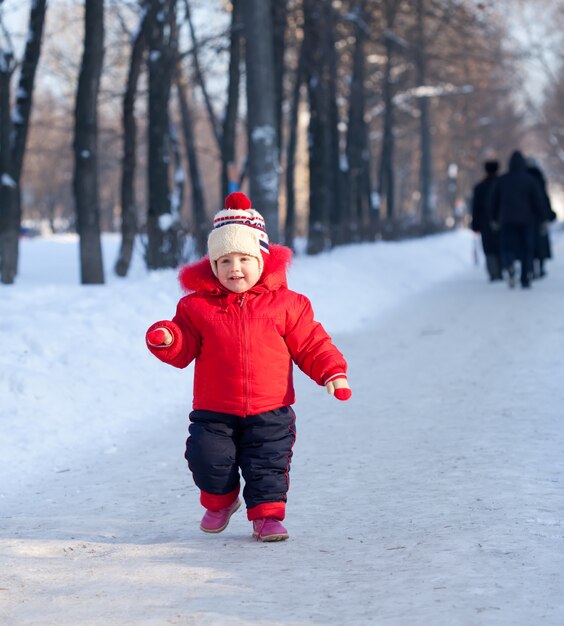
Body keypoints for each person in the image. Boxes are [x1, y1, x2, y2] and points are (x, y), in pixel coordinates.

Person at [145, 192, 352, 542]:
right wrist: (167, 338)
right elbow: (184, 347)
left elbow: (312, 343)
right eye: (224, 261)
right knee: (206, 458)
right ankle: (221, 501)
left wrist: (332, 371)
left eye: (244, 258)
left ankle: (267, 518)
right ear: (212, 266)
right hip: (214, 410)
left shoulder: (288, 305)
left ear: (263, 260)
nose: (235, 268)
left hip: (270, 410)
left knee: (267, 466)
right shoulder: (196, 308)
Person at [490, 150, 546, 289]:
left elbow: (493, 201)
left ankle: (509, 265)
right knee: (527, 249)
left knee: (507, 246)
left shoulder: (502, 180)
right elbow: (538, 201)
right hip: (527, 220)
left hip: (507, 219)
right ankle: (525, 278)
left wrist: (494, 218)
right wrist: (542, 218)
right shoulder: (530, 180)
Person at [471, 159, 502, 281]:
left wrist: (475, 225)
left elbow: (475, 207)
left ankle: (493, 272)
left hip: (485, 222)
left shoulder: (480, 187)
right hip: (500, 221)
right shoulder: (501, 184)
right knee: (500, 245)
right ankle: (501, 269)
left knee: (488, 248)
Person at [526, 160, 557, 279]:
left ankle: (531, 268)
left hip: (527, 217)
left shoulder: (524, 179)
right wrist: (549, 214)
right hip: (540, 217)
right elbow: (544, 198)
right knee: (541, 243)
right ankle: (541, 268)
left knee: (529, 243)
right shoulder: (539, 179)